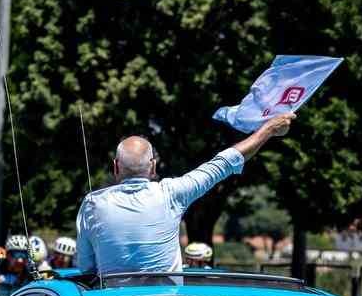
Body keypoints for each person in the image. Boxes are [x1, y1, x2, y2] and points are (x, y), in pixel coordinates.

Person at [74, 113, 295, 276]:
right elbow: (225, 162)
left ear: (115, 167)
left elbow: (86, 267)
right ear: (152, 167)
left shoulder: (93, 203)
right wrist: (267, 130)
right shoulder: (170, 193)